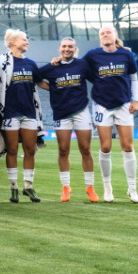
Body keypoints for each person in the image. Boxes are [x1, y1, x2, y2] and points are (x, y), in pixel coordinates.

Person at [37, 38, 97, 202]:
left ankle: (90, 187)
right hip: (61, 114)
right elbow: (36, 77)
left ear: (75, 49)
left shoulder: (82, 65)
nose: (67, 49)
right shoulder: (51, 67)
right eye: (64, 46)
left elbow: (96, 79)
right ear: (59, 48)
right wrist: (50, 88)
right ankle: (65, 187)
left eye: (70, 46)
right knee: (63, 150)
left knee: (85, 149)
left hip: (81, 111)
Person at [84, 24, 138, 202]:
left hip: (124, 104)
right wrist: (58, 60)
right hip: (102, 105)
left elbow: (133, 78)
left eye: (108, 32)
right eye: (102, 33)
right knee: (105, 147)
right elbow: (78, 67)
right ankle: (108, 188)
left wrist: (135, 99)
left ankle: (132, 188)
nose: (105, 35)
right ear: (100, 38)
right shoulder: (93, 55)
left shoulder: (126, 54)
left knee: (128, 147)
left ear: (115, 35)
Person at [0, 29, 42, 203]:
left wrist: (63, 87)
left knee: (30, 150)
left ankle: (28, 186)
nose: (27, 42)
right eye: (24, 39)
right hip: (10, 114)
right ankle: (13, 186)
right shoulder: (1, 62)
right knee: (12, 150)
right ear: (13, 42)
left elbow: (41, 81)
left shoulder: (30, 63)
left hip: (29, 113)